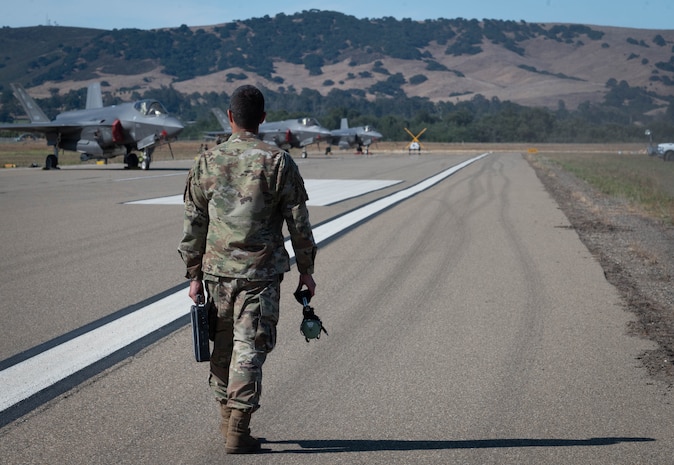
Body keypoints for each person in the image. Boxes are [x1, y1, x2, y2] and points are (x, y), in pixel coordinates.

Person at [178, 85, 317, 454]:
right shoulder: (278, 161)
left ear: (229, 117)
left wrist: (193, 276)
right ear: (263, 118)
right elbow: (298, 221)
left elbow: (193, 225)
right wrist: (307, 269)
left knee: (224, 344)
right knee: (249, 347)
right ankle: (237, 429)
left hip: (217, 273)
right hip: (260, 273)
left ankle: (227, 421)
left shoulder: (205, 161)